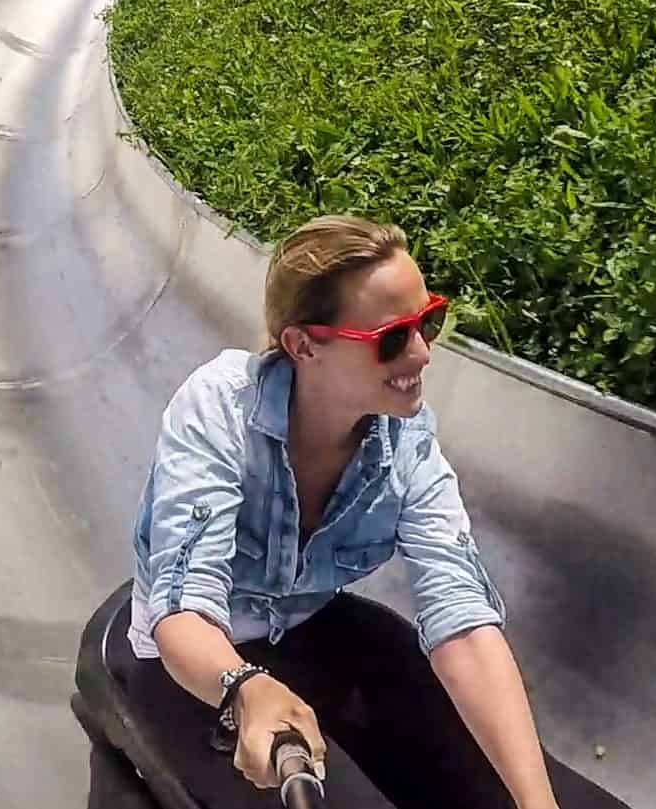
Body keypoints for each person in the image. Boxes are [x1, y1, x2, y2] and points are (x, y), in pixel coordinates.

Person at [107, 214, 568, 809]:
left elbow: (464, 626)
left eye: (429, 321)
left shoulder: (406, 442)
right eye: (393, 338)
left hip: (311, 632)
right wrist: (243, 687)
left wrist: (537, 804)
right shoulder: (220, 407)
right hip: (193, 665)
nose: (423, 353)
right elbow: (183, 608)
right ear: (303, 345)